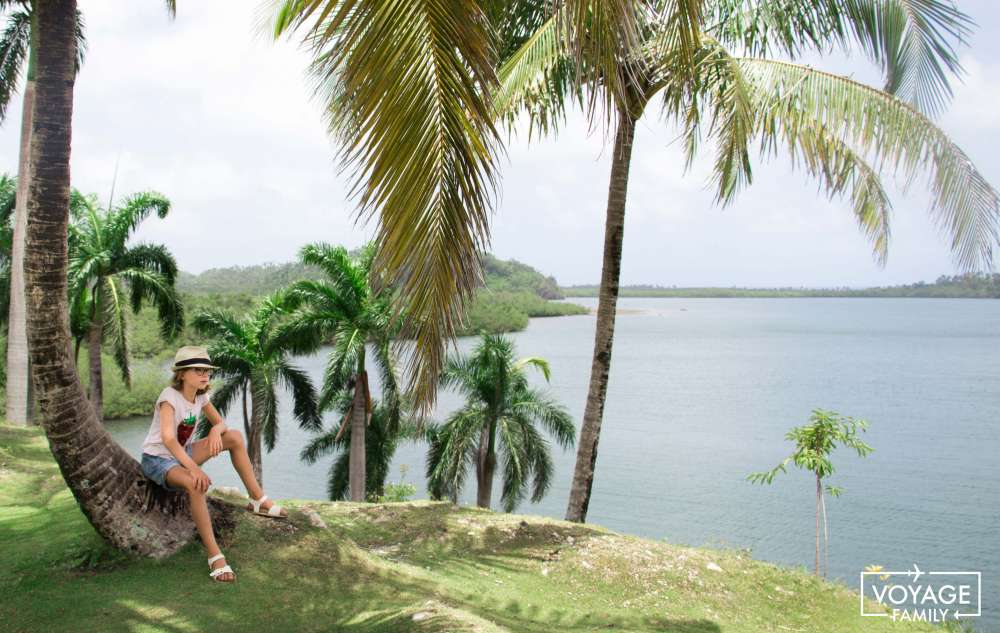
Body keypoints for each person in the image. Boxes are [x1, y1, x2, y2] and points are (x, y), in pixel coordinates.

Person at [139, 345, 288, 583]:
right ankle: (215, 556)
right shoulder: (169, 397)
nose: (204, 375)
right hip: (158, 459)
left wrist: (217, 433)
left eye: (207, 370)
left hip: (183, 452)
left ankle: (257, 500)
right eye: (198, 370)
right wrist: (194, 468)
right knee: (196, 484)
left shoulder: (200, 395)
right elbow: (167, 438)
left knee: (235, 438)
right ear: (182, 374)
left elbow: (220, 423)